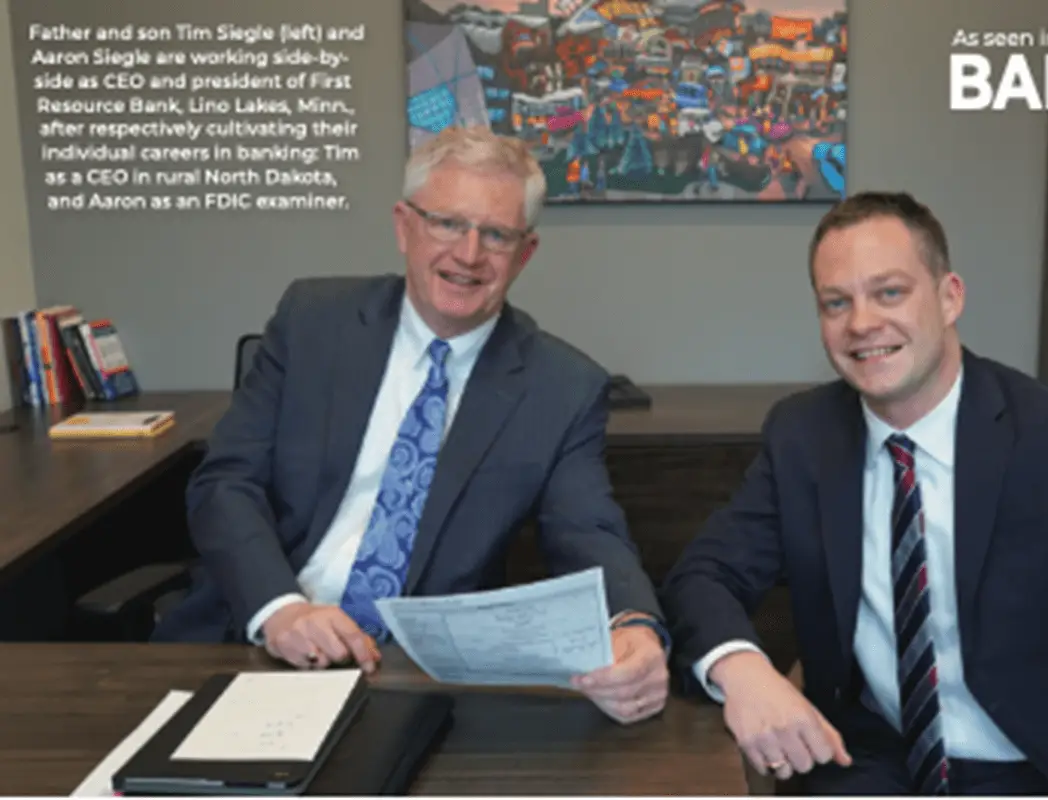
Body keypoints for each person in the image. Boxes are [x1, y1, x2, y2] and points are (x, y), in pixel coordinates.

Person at [659, 191, 1048, 793]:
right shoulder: (803, 436)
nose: (861, 323)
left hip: (1041, 767)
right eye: (836, 302)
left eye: (889, 292)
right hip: (875, 760)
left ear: (950, 296)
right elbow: (702, 575)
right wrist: (743, 669)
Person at [154, 126, 670, 725]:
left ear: (524, 254)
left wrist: (633, 623)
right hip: (252, 635)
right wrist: (281, 609)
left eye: (496, 234)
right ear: (404, 226)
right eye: (447, 223)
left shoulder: (561, 385)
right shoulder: (313, 321)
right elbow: (225, 483)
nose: (469, 255)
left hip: (413, 674)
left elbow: (590, 531)